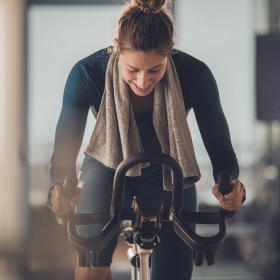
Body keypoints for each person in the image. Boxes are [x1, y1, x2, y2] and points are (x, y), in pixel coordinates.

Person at [47, 0, 246, 279]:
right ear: (117, 49)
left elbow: (222, 154)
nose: (143, 81)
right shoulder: (87, 74)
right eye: (133, 70)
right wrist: (60, 189)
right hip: (106, 170)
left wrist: (231, 186)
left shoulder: (195, 74)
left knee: (174, 273)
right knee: (92, 265)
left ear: (170, 54)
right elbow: (64, 156)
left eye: (155, 69)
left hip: (171, 173)